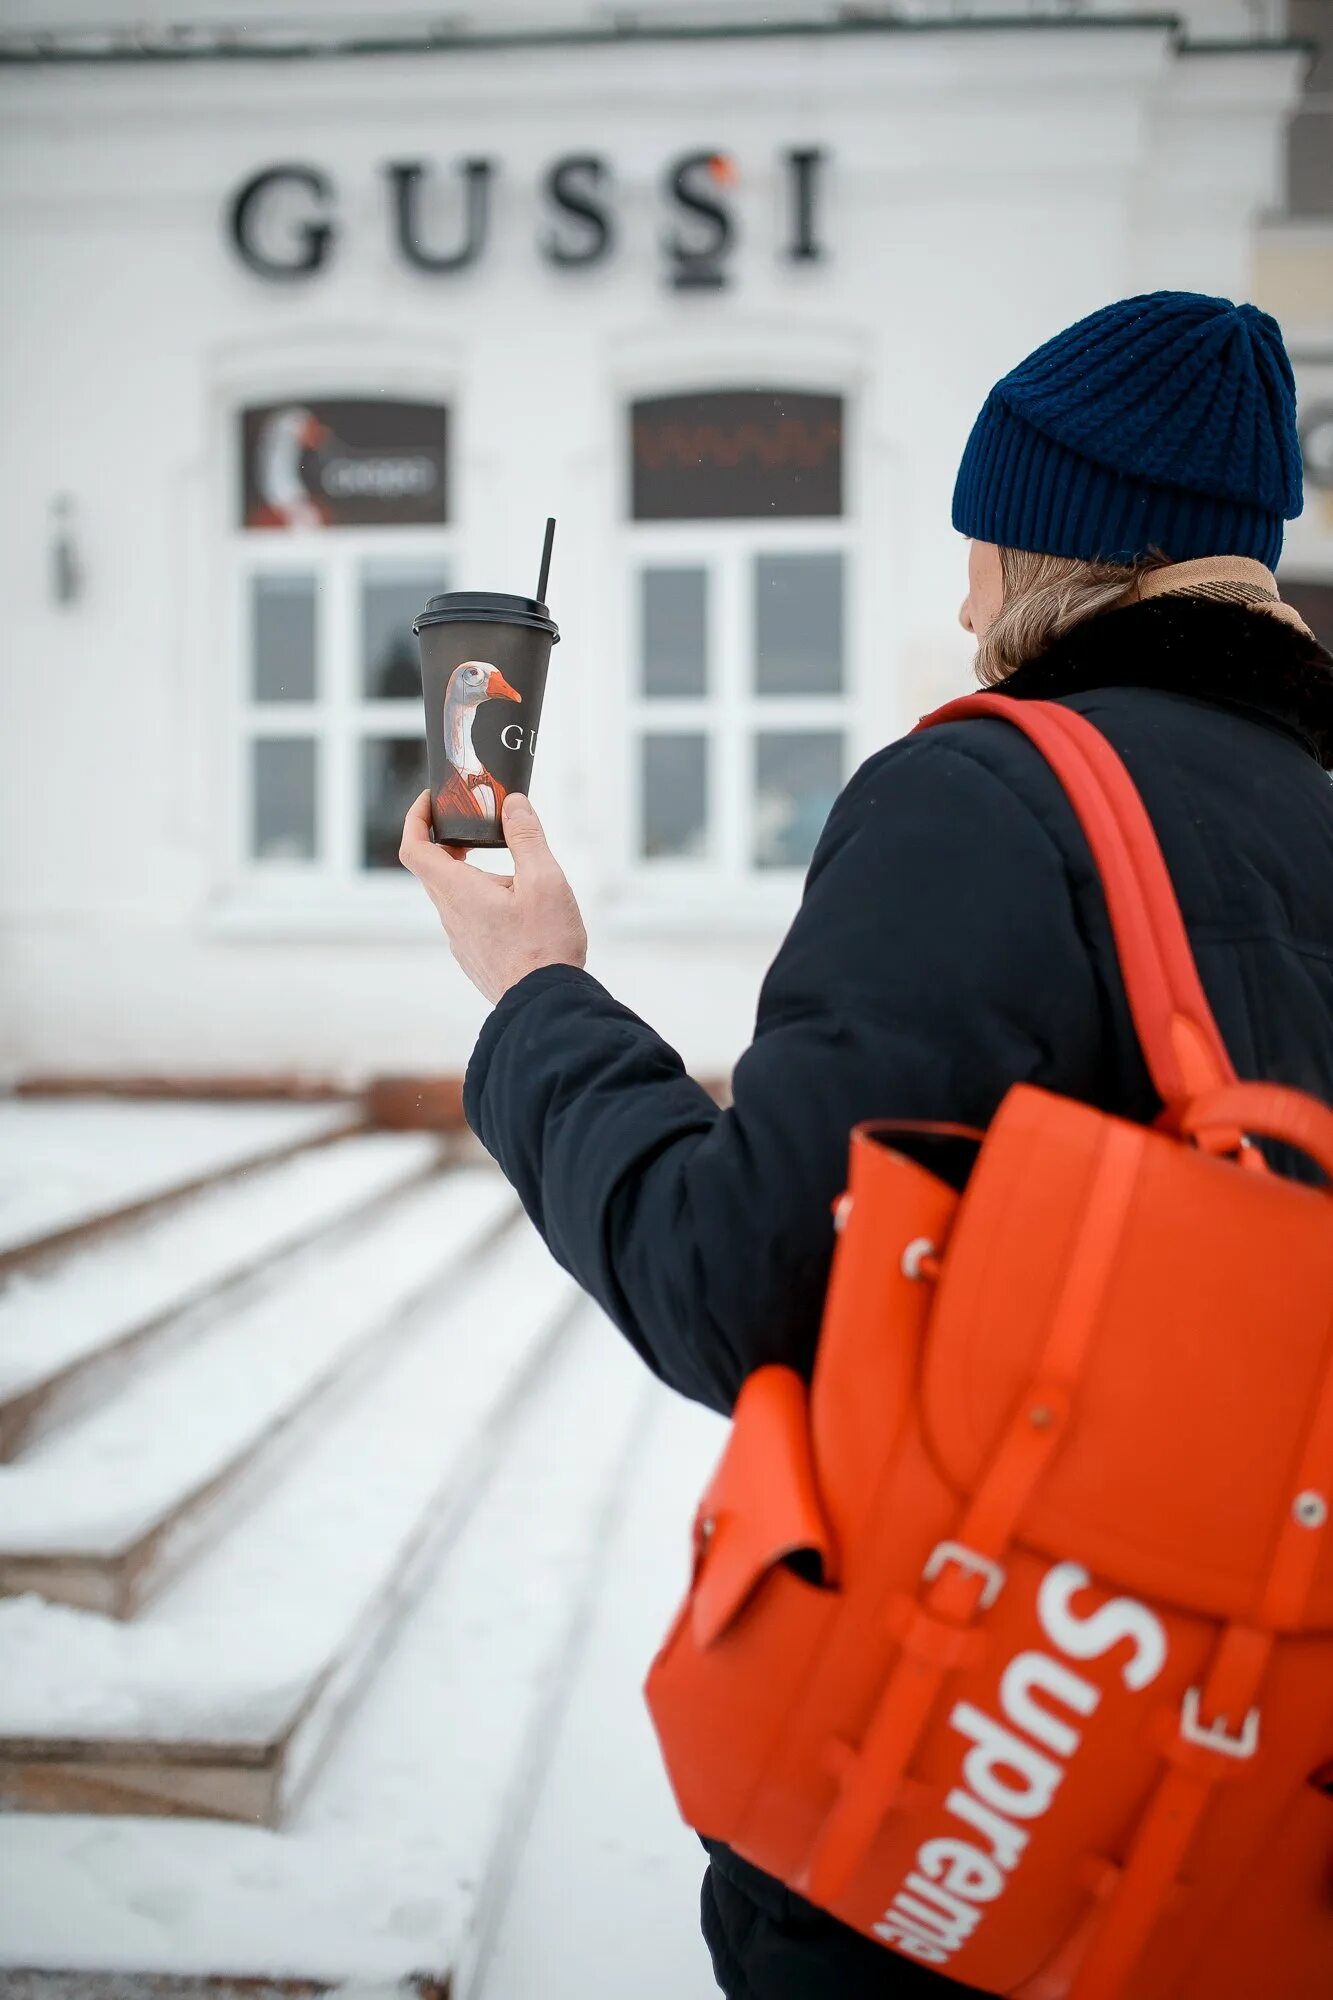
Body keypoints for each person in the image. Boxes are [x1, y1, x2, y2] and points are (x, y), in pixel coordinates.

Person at [401, 291, 1333, 1999]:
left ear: (1055, 547)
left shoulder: (991, 798)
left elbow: (741, 1279)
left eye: (977, 536)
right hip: (1271, 1847)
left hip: (973, 1832)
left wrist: (536, 994)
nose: (958, 588)